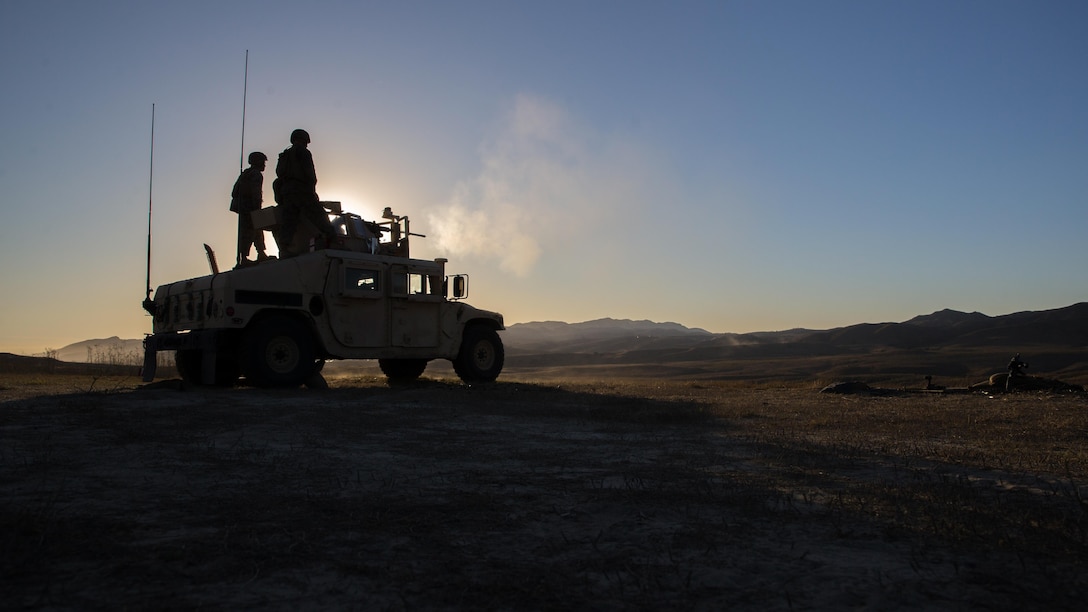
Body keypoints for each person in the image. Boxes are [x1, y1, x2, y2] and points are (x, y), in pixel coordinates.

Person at [273, 128, 336, 257]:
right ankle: (334, 242)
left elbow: (278, 175)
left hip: (287, 193)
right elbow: (310, 174)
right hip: (302, 191)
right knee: (320, 216)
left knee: (289, 221)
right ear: (303, 140)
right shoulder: (303, 152)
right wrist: (312, 191)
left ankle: (284, 249)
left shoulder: (284, 155)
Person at [230, 151, 269, 266]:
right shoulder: (256, 174)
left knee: (252, 232)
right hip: (251, 208)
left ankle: (258, 254)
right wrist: (256, 208)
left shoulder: (245, 174)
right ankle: (247, 258)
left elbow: (234, 192)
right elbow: (255, 192)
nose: (264, 165)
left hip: (244, 208)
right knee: (251, 232)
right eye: (262, 162)